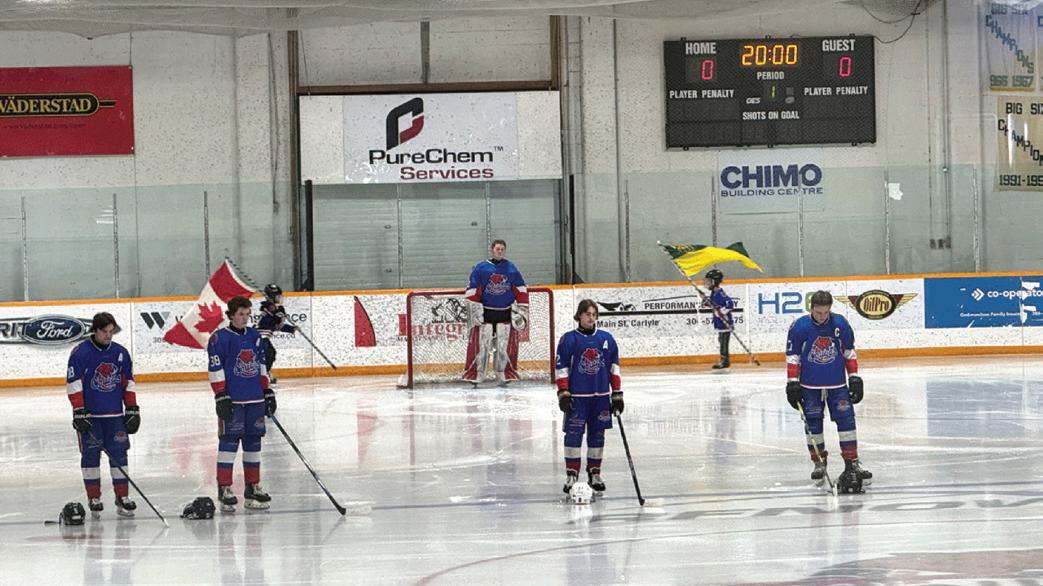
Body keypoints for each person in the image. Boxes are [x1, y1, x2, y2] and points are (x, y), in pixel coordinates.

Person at [785, 290, 872, 493]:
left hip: (837, 384)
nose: (822, 317)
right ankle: (818, 462)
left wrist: (854, 377)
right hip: (809, 386)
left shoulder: (840, 323)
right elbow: (793, 356)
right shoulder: (799, 327)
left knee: (847, 422)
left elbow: (849, 352)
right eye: (818, 312)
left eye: (825, 312)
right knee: (813, 423)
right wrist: (792, 383)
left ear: (830, 309)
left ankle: (852, 462)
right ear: (811, 309)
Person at [66, 312, 140, 517]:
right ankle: (94, 497)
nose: (108, 336)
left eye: (111, 332)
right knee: (90, 455)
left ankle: (122, 497)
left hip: (115, 417)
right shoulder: (80, 353)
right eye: (105, 332)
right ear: (95, 330)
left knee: (119, 455)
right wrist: (79, 411)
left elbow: (128, 383)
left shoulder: (121, 353)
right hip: (91, 417)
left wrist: (132, 408)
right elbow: (73, 384)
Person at [207, 295, 277, 511]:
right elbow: (215, 368)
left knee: (253, 443)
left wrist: (267, 391)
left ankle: (252, 486)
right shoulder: (219, 338)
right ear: (231, 315)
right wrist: (221, 394)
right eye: (240, 314)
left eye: (247, 314)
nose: (245, 318)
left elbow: (261, 365)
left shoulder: (255, 335)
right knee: (229, 443)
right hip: (233, 400)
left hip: (255, 399)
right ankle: (225, 488)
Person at [555, 299, 623, 494]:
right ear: (579, 316)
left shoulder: (607, 339)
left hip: (600, 397)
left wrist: (617, 393)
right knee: (573, 434)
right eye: (587, 314)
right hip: (577, 397)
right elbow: (561, 367)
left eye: (594, 315)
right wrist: (563, 392)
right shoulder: (569, 339)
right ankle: (572, 474)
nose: (591, 318)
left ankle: (594, 473)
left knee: (597, 435)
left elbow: (614, 368)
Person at [462, 239, 529, 386]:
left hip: (504, 313)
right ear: (492, 249)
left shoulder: (511, 268)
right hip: (486, 314)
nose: (500, 251)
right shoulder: (481, 268)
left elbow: (521, 289)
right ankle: (475, 374)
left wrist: (522, 310)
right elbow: (473, 289)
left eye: (502, 249)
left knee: (504, 346)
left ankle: (505, 373)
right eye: (497, 249)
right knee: (480, 345)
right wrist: (474, 309)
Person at [258, 284, 297, 385]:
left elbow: (276, 326)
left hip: (264, 336)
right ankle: (262, 375)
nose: (280, 298)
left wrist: (291, 329)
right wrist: (277, 313)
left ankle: (265, 373)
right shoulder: (267, 308)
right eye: (278, 296)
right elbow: (271, 321)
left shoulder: (274, 308)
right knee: (268, 354)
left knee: (271, 353)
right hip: (260, 336)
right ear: (272, 297)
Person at [702, 268, 735, 370]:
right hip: (720, 323)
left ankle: (724, 361)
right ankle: (723, 360)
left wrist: (720, 312)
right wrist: (705, 301)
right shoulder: (714, 293)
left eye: (709, 281)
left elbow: (730, 304)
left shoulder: (720, 293)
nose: (707, 283)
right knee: (721, 341)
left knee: (724, 343)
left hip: (725, 323)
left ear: (714, 281)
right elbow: (714, 304)